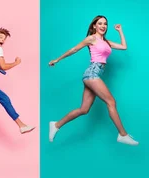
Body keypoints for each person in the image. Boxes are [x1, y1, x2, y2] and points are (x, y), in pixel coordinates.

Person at [47, 15, 138, 146]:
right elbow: (74, 49)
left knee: (84, 109)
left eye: (105, 24)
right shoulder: (91, 38)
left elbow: (124, 47)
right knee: (111, 102)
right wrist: (57, 59)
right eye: (100, 23)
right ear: (94, 26)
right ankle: (122, 134)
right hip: (92, 73)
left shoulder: (106, 42)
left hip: (95, 74)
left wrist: (120, 31)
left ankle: (56, 124)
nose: (103, 26)